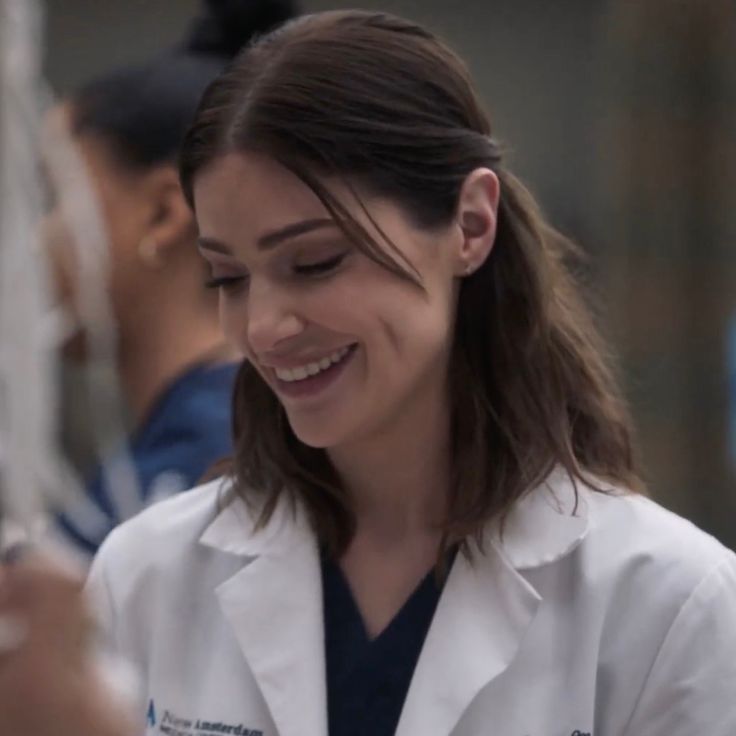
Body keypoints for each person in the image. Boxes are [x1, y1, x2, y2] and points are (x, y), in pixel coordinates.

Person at [2, 9, 736, 736]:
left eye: (316, 262)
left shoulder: (669, 602)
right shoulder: (149, 575)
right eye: (226, 277)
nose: (263, 327)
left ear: (471, 225)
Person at [41, 0, 298, 558]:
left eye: (54, 198)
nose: (34, 240)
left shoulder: (229, 456)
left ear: (161, 214)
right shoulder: (165, 446)